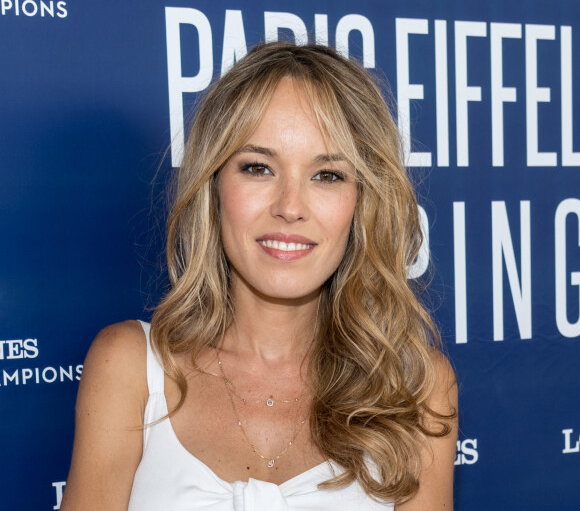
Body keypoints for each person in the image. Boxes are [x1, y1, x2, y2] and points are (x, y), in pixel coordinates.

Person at [61, 41, 457, 510]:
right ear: (214, 187)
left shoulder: (415, 388)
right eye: (258, 168)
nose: (289, 207)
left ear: (363, 201)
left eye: (327, 175)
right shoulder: (129, 368)